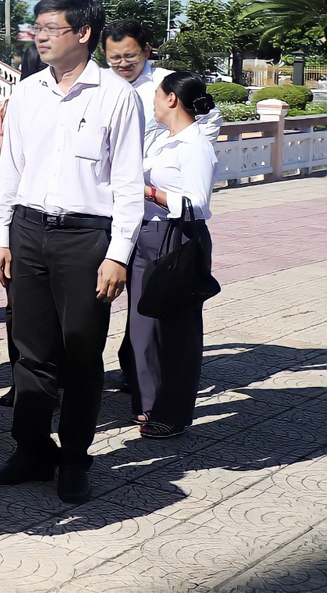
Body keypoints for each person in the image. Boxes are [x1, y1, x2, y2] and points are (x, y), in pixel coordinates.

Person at [0, 0, 144, 505]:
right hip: (29, 232)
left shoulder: (115, 96)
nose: (40, 36)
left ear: (84, 33)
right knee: (31, 352)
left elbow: (126, 183)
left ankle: (74, 457)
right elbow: (11, 170)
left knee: (81, 353)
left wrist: (118, 253)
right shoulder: (28, 93)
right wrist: (2, 236)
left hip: (85, 238)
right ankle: (30, 451)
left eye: (51, 27)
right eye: (37, 27)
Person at [126, 72, 220, 439]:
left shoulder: (196, 145)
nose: (152, 102)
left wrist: (149, 192)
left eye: (156, 96)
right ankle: (147, 405)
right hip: (146, 236)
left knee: (178, 333)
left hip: (178, 239)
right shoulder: (163, 140)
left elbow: (196, 204)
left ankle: (173, 413)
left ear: (171, 99)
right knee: (141, 329)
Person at [0, 44, 44, 408]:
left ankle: (31, 379)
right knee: (19, 302)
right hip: (17, 215)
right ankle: (25, 379)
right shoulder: (5, 110)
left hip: (20, 216)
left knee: (20, 306)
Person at [105, 19, 220, 143]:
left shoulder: (169, 82)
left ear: (146, 51)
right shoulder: (99, 84)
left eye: (131, 56)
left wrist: (184, 152)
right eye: (115, 58)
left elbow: (210, 117)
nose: (123, 64)